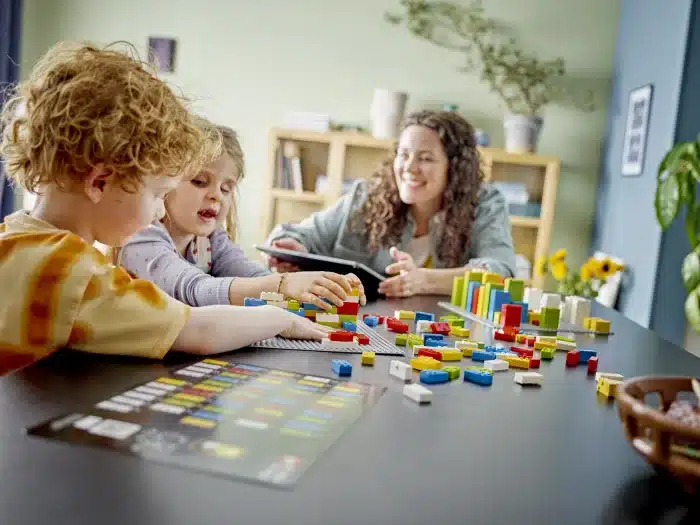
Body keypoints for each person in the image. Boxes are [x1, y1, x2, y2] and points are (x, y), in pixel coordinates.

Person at [0, 42, 328, 376]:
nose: (160, 211)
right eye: (157, 194)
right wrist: (279, 318)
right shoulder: (70, 271)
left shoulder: (14, 238)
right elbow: (197, 330)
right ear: (100, 182)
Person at [265, 110, 516, 298]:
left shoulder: (485, 203)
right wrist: (293, 248)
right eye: (404, 154)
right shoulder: (369, 195)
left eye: (425, 158)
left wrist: (424, 281)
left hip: (441, 337)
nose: (409, 167)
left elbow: (499, 272)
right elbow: (301, 235)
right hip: (360, 325)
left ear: (456, 168)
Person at [118, 120, 366, 310]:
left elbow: (250, 274)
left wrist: (317, 288)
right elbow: (194, 289)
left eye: (227, 188)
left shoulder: (209, 240)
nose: (217, 195)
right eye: (200, 181)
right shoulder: (141, 236)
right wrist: (285, 284)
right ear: (166, 182)